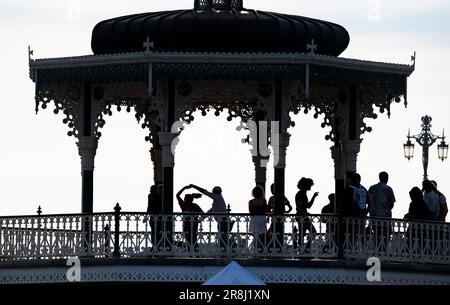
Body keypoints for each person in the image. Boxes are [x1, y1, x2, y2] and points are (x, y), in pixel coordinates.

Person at [188, 184, 231, 250]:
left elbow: (205, 192)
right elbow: (209, 212)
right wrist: (200, 219)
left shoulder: (217, 197)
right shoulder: (217, 201)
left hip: (223, 222)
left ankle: (224, 251)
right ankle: (223, 250)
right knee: (222, 238)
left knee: (222, 238)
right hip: (222, 222)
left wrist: (194, 186)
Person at [176, 186, 204, 251]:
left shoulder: (185, 205)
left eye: (185, 199)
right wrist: (199, 220)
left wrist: (184, 188)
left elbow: (177, 195)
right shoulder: (188, 205)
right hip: (191, 225)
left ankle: (192, 252)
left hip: (190, 225)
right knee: (191, 240)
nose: (185, 200)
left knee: (191, 240)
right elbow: (203, 214)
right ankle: (193, 252)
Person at [295, 177, 318, 253]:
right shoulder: (300, 194)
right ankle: (304, 249)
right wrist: (305, 213)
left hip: (302, 216)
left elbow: (308, 206)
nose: (310, 186)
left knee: (303, 233)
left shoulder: (303, 194)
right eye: (310, 185)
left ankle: (303, 249)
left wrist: (314, 197)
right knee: (310, 232)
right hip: (301, 216)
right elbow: (299, 207)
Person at [248, 186, 267, 253]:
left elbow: (250, 211)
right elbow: (265, 210)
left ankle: (255, 251)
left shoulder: (251, 202)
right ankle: (260, 251)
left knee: (255, 237)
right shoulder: (264, 201)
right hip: (261, 219)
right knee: (261, 237)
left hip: (254, 219)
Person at [146, 184, 163, 251]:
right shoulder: (150, 196)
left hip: (158, 218)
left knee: (157, 233)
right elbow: (149, 205)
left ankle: (155, 247)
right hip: (153, 217)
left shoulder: (159, 197)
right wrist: (147, 214)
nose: (151, 191)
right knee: (154, 232)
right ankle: (154, 247)